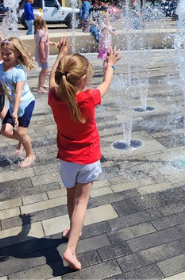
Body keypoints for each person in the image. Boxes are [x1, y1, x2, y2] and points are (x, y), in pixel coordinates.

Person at [47, 37, 122, 270]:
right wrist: (110, 63)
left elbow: (52, 79)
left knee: (71, 198)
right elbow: (107, 82)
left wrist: (60, 54)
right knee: (82, 202)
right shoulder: (88, 98)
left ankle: (72, 230)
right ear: (83, 80)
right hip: (88, 159)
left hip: (67, 160)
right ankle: (70, 249)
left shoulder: (54, 96)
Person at [0, 37, 36, 168]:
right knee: (5, 131)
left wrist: (14, 112)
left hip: (25, 104)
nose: (5, 56)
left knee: (21, 132)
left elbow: (18, 92)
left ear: (17, 53)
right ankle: (23, 141)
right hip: (14, 105)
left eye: (8, 53)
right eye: (2, 53)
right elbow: (4, 87)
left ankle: (30, 154)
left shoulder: (19, 71)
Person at [34, 16, 51, 93]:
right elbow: (42, 44)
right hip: (42, 54)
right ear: (43, 24)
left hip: (39, 53)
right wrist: (43, 56)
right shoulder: (43, 33)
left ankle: (42, 84)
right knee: (45, 70)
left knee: (44, 70)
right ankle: (40, 87)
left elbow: (45, 42)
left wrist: (54, 43)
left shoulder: (37, 32)